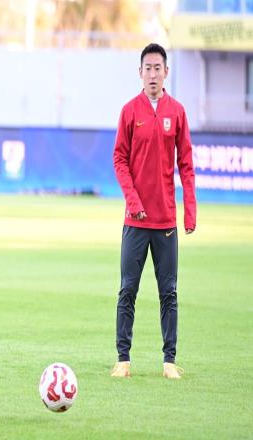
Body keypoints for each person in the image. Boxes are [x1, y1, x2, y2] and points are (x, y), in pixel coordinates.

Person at [111, 43, 196, 379]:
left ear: (166, 72)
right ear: (140, 72)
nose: (152, 74)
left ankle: (169, 361)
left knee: (169, 293)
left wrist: (189, 210)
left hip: (166, 222)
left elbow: (186, 164)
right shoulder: (129, 111)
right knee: (127, 290)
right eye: (147, 68)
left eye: (157, 68)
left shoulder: (177, 112)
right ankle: (123, 360)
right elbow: (119, 159)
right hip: (135, 221)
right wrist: (133, 201)